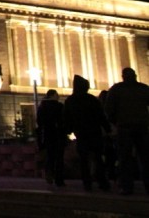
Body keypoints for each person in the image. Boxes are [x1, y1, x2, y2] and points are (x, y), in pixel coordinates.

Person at [104, 67, 149, 195]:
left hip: (124, 128)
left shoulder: (117, 89)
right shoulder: (143, 88)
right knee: (145, 158)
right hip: (142, 127)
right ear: (135, 76)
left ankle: (127, 187)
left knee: (125, 158)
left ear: (123, 76)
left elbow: (108, 110)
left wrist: (115, 122)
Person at [63, 74, 111, 191]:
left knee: (84, 159)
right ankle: (102, 182)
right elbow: (101, 115)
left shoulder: (71, 100)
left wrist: (68, 130)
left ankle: (87, 183)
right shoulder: (92, 99)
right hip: (94, 132)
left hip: (81, 133)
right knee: (98, 158)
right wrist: (107, 128)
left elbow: (66, 118)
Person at [36, 88, 67, 187]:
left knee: (50, 155)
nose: (58, 96)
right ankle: (59, 179)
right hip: (58, 135)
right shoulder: (59, 106)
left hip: (47, 135)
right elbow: (63, 120)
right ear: (53, 95)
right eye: (56, 94)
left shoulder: (42, 107)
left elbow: (39, 122)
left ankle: (49, 173)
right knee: (59, 157)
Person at [98, 89, 118, 182]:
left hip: (101, 134)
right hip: (112, 134)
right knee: (112, 155)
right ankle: (112, 173)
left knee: (100, 155)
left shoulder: (98, 108)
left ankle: (101, 174)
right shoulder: (113, 108)